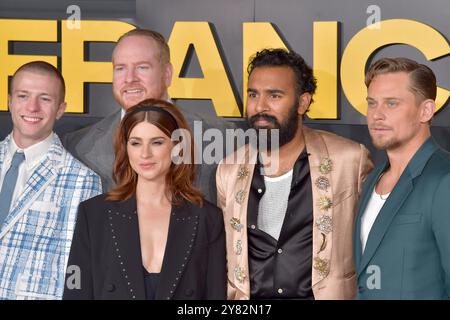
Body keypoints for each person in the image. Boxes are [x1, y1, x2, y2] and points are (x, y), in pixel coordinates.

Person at [216, 48, 373, 300]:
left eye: (274, 95)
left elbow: (375, 247)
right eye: (253, 94)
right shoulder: (229, 168)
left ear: (303, 102)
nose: (260, 106)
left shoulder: (349, 160)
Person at [63, 98, 226, 300]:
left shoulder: (207, 218)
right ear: (125, 148)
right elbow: (76, 292)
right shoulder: (94, 214)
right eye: (135, 143)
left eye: (157, 142)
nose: (145, 154)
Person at [63, 28, 232, 203]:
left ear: (167, 74)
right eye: (120, 68)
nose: (129, 78)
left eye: (142, 67)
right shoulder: (78, 146)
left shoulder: (220, 136)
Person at [0, 61, 102, 300]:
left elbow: (77, 269)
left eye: (45, 98)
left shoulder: (83, 181)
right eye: (23, 95)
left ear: (60, 109)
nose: (32, 107)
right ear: (9, 101)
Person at [353, 57, 450, 299]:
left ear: (425, 110)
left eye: (392, 104)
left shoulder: (444, 179)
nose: (377, 115)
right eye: (372, 103)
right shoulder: (373, 176)